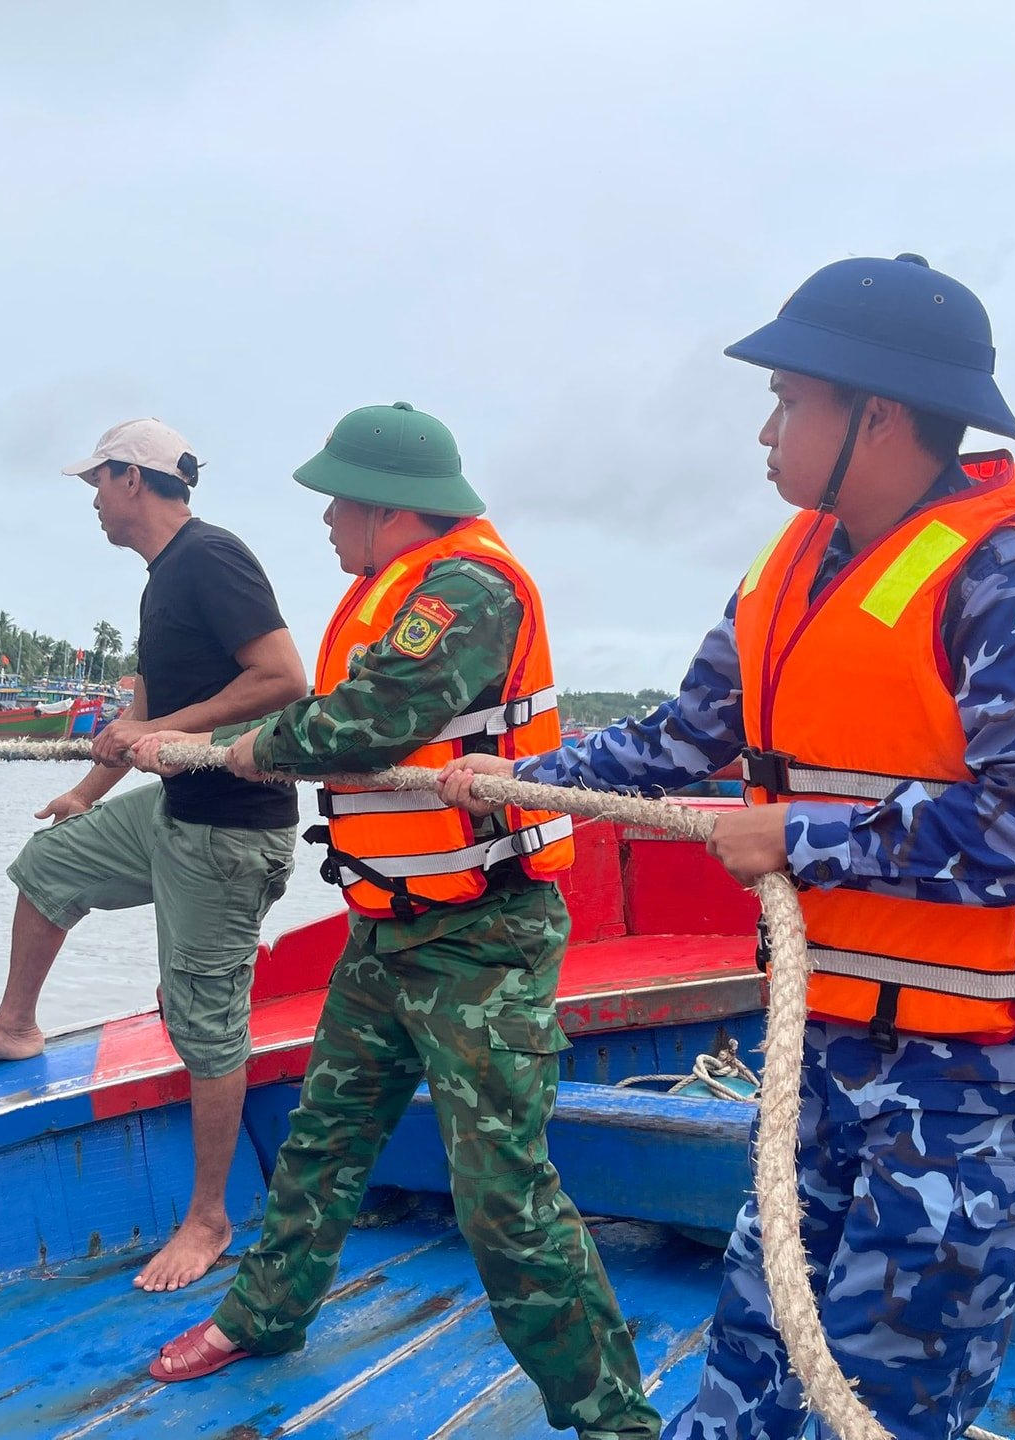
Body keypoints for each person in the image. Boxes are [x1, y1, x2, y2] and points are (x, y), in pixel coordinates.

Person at [441, 254, 1015, 1440]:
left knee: (890, 1389)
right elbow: (682, 739)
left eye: (788, 401)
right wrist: (515, 783)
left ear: (876, 415)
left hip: (972, 1071)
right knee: (757, 1346)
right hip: (825, 1035)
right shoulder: (791, 568)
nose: (766, 430)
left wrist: (801, 840)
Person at [132, 402, 662, 1440]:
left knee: (503, 1197)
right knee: (324, 1137)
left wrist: (255, 742)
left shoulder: (465, 588)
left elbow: (375, 718)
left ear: (388, 509)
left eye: (338, 502)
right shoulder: (394, 590)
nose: (328, 520)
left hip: (481, 941)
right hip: (389, 930)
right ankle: (268, 1313)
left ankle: (613, 1419)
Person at [0, 418, 305, 1295]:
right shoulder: (159, 579)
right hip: (174, 808)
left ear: (132, 478)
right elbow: (144, 706)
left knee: (202, 1023)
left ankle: (209, 1218)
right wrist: (87, 793)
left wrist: (160, 731)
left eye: (96, 483)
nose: (93, 501)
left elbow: (286, 678)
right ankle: (17, 1026)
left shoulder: (212, 557)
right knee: (47, 866)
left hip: (231, 832)